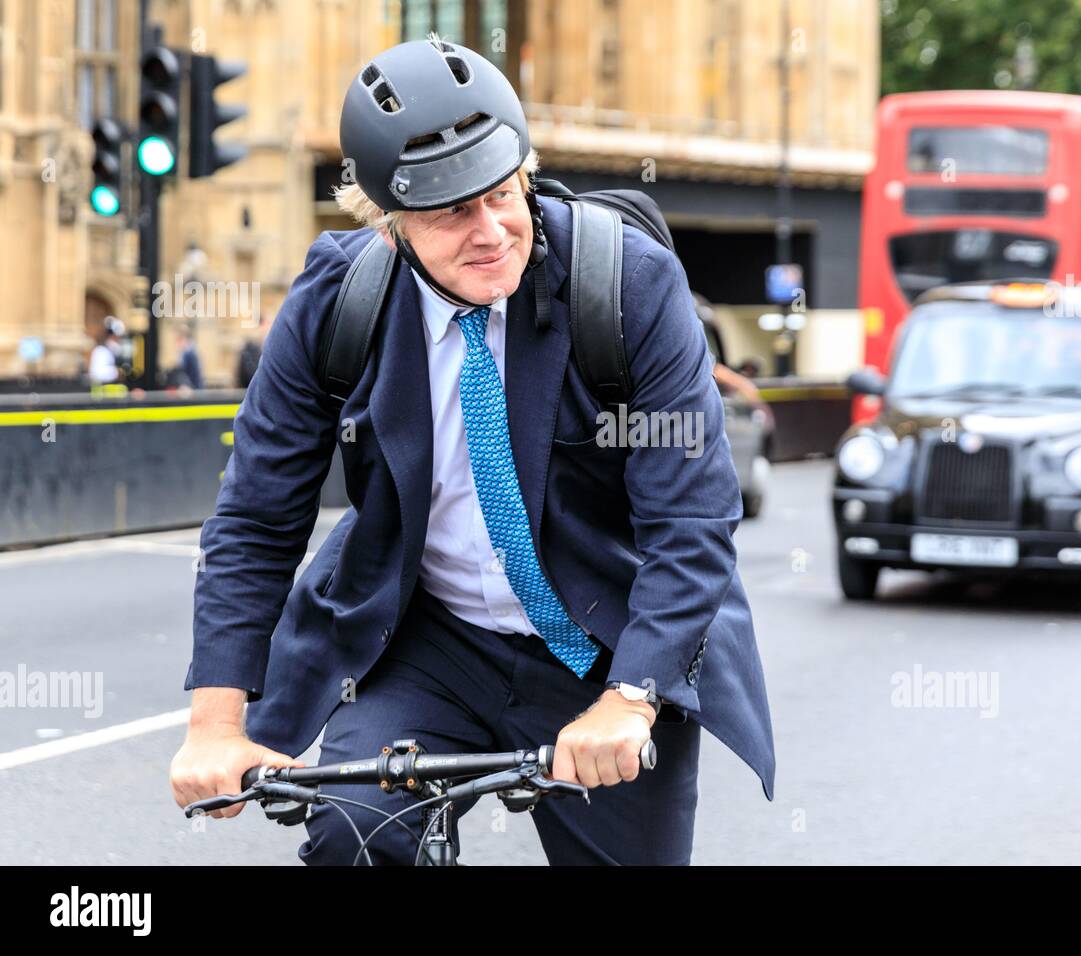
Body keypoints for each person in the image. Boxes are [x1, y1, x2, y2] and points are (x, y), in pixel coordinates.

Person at [170, 35, 775, 866]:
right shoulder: (333, 302)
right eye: (452, 212)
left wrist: (631, 699)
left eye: (501, 194)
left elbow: (691, 518)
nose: (490, 232)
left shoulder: (628, 283)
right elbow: (255, 516)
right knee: (353, 830)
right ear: (386, 224)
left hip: (608, 645)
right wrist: (214, 722)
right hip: (429, 642)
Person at [88, 316, 124, 385]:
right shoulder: (100, 351)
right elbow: (96, 374)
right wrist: (116, 372)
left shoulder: (116, 351)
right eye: (116, 336)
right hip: (104, 394)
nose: (118, 340)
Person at [175, 324, 205, 389]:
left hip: (193, 388)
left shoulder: (189, 353)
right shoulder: (192, 350)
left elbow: (183, 371)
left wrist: (185, 384)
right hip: (195, 387)